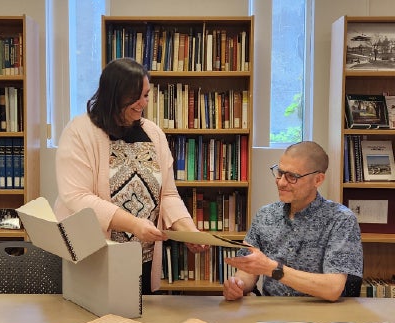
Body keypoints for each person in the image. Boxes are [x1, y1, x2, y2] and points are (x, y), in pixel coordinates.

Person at [54, 57, 205, 294]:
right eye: (136, 97)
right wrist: (134, 225)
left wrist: (188, 230)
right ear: (114, 95)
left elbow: (168, 194)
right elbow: (77, 197)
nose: (142, 103)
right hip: (92, 256)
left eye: (146, 95)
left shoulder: (153, 133)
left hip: (139, 258)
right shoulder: (79, 132)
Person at [223, 141, 363, 302]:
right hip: (272, 315)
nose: (281, 182)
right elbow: (248, 269)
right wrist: (238, 285)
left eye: (292, 177)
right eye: (280, 173)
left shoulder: (341, 220)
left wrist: (273, 269)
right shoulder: (265, 215)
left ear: (318, 180)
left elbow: (333, 288)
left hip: (321, 317)